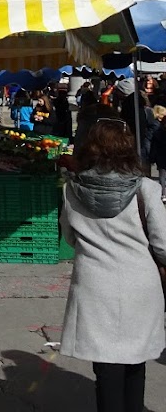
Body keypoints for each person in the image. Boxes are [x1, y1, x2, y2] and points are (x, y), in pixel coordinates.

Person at [60, 118, 166, 412]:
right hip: (140, 286)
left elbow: (70, 237)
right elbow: (163, 244)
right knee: (136, 360)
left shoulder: (72, 190)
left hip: (94, 285)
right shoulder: (146, 189)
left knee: (105, 367)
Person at [149, 105, 166, 201]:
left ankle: (163, 194)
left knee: (162, 177)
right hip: (161, 157)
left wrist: (152, 158)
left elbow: (154, 147)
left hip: (161, 158)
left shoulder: (157, 133)